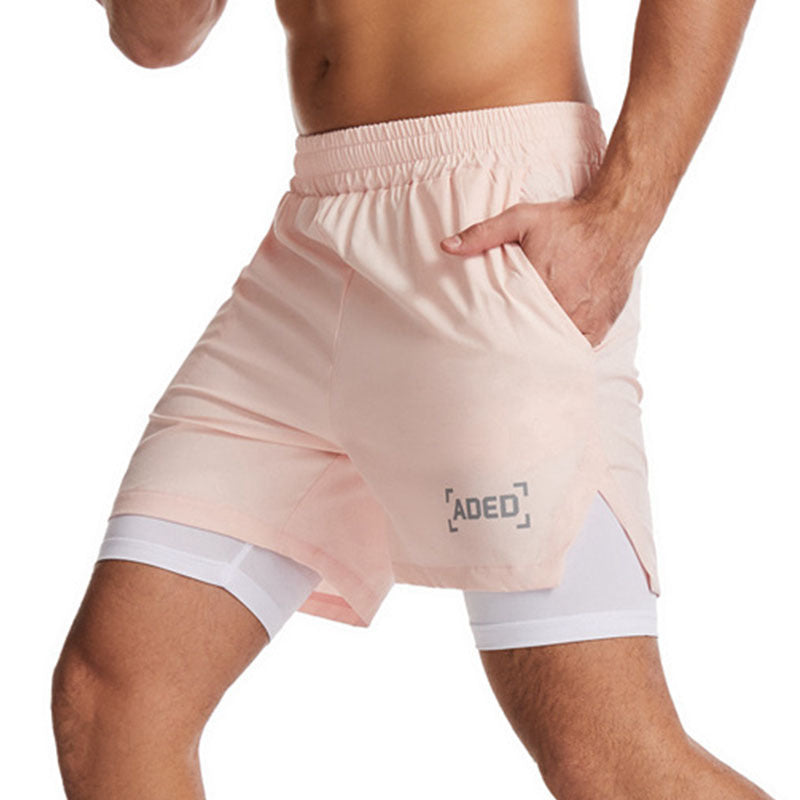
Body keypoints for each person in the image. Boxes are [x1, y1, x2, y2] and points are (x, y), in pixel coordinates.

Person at [51, 1, 774, 798]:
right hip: (314, 237)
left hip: (492, 214)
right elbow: (155, 37)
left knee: (607, 757)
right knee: (113, 697)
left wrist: (621, 217)